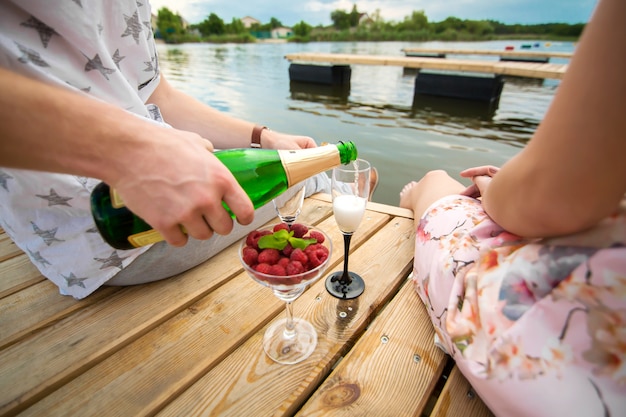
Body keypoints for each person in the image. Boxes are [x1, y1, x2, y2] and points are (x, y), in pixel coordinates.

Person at [0, 1, 377, 299]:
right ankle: (342, 195)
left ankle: (335, 190)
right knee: (296, 178)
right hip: (103, 230)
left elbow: (154, 93)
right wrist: (127, 153)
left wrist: (263, 136)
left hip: (157, 164)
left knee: (290, 164)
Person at [399, 1, 626, 416]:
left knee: (436, 183)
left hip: (582, 323)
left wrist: (492, 188)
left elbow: (550, 200)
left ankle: (413, 200)